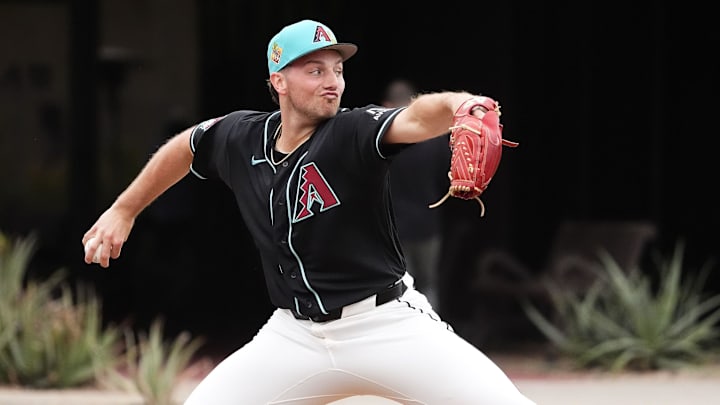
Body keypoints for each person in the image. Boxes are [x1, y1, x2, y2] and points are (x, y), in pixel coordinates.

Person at [82, 19, 535, 404]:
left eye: (337, 69)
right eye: (315, 69)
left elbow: (416, 117)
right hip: (295, 337)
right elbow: (187, 145)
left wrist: (460, 105)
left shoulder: (353, 131)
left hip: (385, 324)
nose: (332, 80)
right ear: (278, 80)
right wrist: (125, 209)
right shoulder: (241, 136)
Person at [382, 78, 450, 310]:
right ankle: (433, 336)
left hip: (394, 227)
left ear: (388, 105)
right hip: (429, 223)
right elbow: (448, 178)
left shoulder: (382, 141)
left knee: (400, 288)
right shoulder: (434, 138)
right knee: (430, 284)